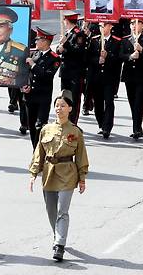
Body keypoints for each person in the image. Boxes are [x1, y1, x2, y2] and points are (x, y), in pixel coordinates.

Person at [29, 90, 89, 262]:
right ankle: (58, 234)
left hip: (68, 173)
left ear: (70, 109)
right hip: (49, 172)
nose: (59, 109)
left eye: (63, 106)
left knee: (63, 210)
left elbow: (81, 155)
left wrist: (82, 177)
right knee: (51, 210)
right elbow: (39, 152)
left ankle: (59, 245)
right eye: (57, 106)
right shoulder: (46, 129)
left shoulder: (76, 131)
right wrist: (34, 173)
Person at [22, 28, 60, 148]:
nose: (36, 42)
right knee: (32, 125)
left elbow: (47, 76)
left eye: (38, 39)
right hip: (30, 96)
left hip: (43, 96)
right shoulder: (34, 54)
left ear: (45, 41)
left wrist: (33, 65)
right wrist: (24, 86)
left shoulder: (54, 58)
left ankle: (40, 151)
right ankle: (35, 150)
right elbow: (26, 73)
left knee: (41, 125)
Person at [87, 22, 124, 139]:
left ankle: (107, 127)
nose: (102, 28)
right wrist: (96, 59)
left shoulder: (117, 41)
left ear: (110, 27)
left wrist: (108, 56)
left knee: (108, 102)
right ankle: (101, 123)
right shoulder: (94, 40)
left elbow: (119, 59)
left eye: (104, 26)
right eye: (100, 26)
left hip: (110, 77)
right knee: (98, 103)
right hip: (97, 78)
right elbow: (87, 57)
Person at [56, 12, 88, 124]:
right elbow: (59, 50)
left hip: (75, 72)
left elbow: (78, 51)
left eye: (64, 20)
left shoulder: (79, 34)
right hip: (65, 71)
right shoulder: (67, 33)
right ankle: (65, 121)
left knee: (74, 98)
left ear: (67, 21)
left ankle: (73, 123)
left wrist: (66, 44)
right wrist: (59, 48)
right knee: (64, 97)